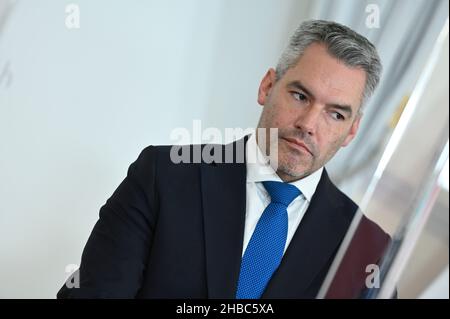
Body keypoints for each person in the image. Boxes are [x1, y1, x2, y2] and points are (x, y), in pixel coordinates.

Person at [57, 20, 390, 299]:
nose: (308, 124)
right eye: (300, 96)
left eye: (334, 114)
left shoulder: (367, 250)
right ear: (267, 86)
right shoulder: (163, 176)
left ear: (351, 131)